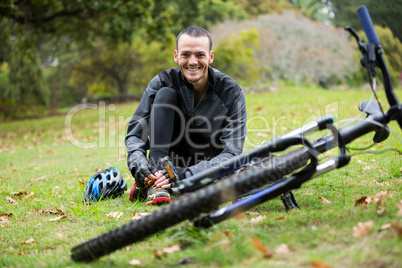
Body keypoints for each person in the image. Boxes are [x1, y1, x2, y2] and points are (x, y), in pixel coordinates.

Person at [125, 26, 247, 205]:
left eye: (199, 55)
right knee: (166, 94)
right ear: (176, 56)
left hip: (205, 166)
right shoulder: (162, 81)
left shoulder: (231, 92)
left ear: (210, 56)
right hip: (166, 164)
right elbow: (136, 133)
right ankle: (156, 183)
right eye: (185, 55)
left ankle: (161, 183)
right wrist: (139, 165)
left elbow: (232, 152)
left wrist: (184, 174)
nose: (192, 62)